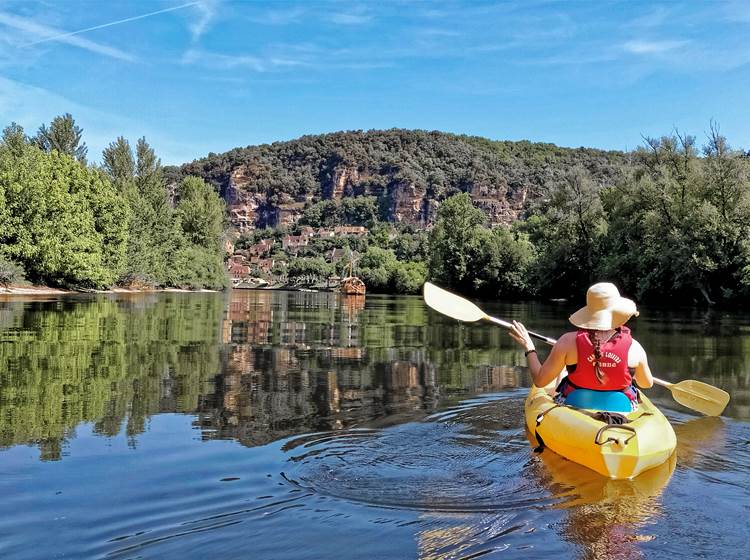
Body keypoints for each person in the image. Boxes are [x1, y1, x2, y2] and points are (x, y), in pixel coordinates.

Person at [508, 282, 653, 412]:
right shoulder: (635, 348)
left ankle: (562, 371)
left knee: (563, 374)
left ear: (589, 313)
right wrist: (625, 369)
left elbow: (540, 381)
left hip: (575, 404)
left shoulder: (567, 342)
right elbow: (646, 384)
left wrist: (529, 348)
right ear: (620, 314)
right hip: (622, 408)